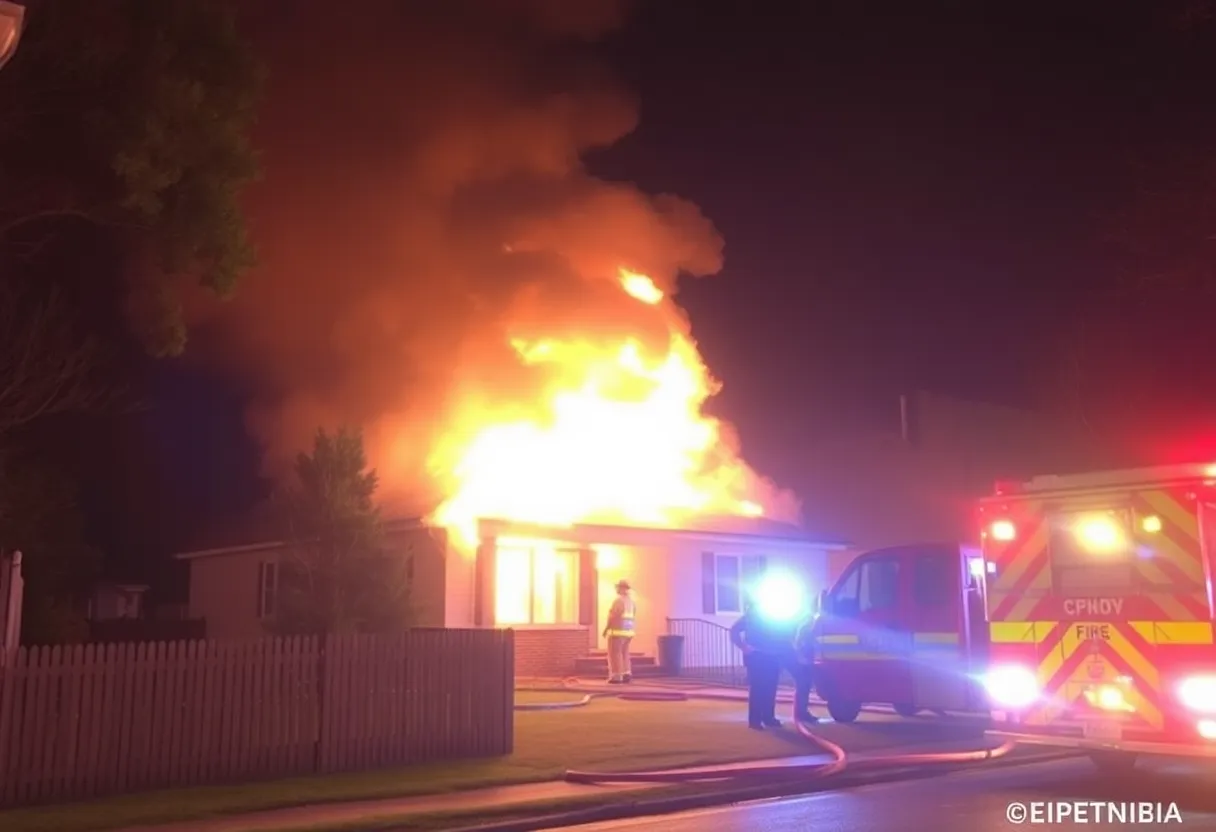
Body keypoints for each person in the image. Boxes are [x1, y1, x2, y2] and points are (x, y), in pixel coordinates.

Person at [730, 597, 784, 729]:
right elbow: (734, 631)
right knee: (758, 688)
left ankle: (768, 717)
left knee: (770, 687)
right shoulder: (751, 617)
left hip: (771, 656)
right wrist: (744, 647)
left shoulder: (773, 616)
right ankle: (755, 720)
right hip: (757, 656)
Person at [603, 579, 636, 684]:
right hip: (628, 632)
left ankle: (617, 676)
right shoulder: (631, 602)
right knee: (624, 653)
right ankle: (627, 673)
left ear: (622, 589)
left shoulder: (618, 601)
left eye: (618, 587)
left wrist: (606, 629)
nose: (616, 589)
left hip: (617, 631)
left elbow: (613, 616)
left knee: (615, 653)